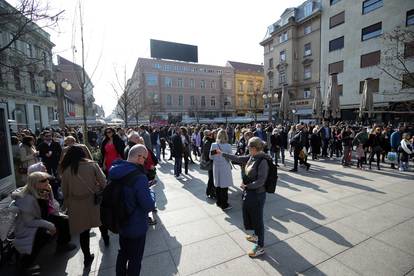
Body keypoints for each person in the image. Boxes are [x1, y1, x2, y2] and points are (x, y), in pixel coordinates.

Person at [12, 172, 75, 274]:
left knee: (64, 220)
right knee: (42, 236)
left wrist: (52, 203)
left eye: (47, 179)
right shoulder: (26, 198)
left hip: (42, 219)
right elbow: (29, 222)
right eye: (43, 180)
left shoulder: (45, 190)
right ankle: (24, 266)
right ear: (34, 183)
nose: (47, 182)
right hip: (28, 227)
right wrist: (49, 225)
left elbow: (52, 207)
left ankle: (62, 245)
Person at [108, 144, 155, 276]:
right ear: (139, 156)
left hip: (120, 220)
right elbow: (148, 206)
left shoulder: (115, 169)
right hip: (136, 224)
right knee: (135, 258)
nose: (144, 162)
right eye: (144, 158)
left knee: (123, 252)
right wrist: (151, 192)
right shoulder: (139, 177)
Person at [219, 137, 268, 258]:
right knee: (249, 214)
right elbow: (239, 158)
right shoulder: (252, 156)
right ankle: (255, 236)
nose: (247, 149)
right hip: (250, 192)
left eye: (249, 148)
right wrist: (223, 154)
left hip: (257, 194)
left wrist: (247, 186)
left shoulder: (263, 161)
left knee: (258, 220)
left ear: (254, 149)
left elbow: (261, 181)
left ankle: (260, 247)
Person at [60, 145, 107, 267]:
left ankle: (87, 257)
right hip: (93, 200)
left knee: (83, 231)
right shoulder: (92, 165)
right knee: (100, 221)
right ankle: (106, 239)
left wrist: (66, 203)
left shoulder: (66, 170)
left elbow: (64, 191)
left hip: (76, 204)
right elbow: (103, 182)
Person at [209, 130, 233, 210]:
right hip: (225, 167)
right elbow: (231, 157)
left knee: (218, 185)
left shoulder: (214, 145)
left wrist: (217, 153)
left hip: (216, 166)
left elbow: (211, 157)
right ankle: (224, 204)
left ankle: (219, 202)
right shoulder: (228, 146)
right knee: (224, 186)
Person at [201, 129, 216, 199]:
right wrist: (217, 151)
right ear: (207, 135)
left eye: (212, 134)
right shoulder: (207, 142)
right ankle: (210, 192)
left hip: (213, 162)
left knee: (212, 178)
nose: (212, 135)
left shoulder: (211, 141)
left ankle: (210, 192)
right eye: (210, 134)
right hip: (210, 162)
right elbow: (207, 154)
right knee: (211, 178)